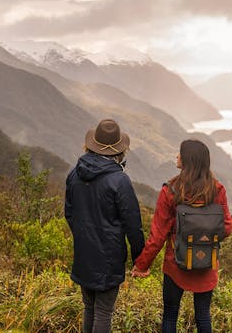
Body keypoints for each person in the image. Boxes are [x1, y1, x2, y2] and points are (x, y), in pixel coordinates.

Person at [132, 139, 232, 333]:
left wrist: (142, 265)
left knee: (170, 314)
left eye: (180, 154)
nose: (176, 157)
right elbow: (227, 227)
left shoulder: (170, 191)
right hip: (206, 263)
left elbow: (158, 236)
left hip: (175, 264)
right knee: (203, 316)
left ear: (188, 160)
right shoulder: (217, 190)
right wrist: (204, 237)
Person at [65, 119, 145, 333]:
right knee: (103, 312)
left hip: (84, 253)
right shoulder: (119, 181)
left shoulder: (74, 173)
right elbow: (133, 224)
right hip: (109, 257)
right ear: (119, 150)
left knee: (89, 308)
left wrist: (84, 237)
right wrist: (140, 259)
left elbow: (70, 213)